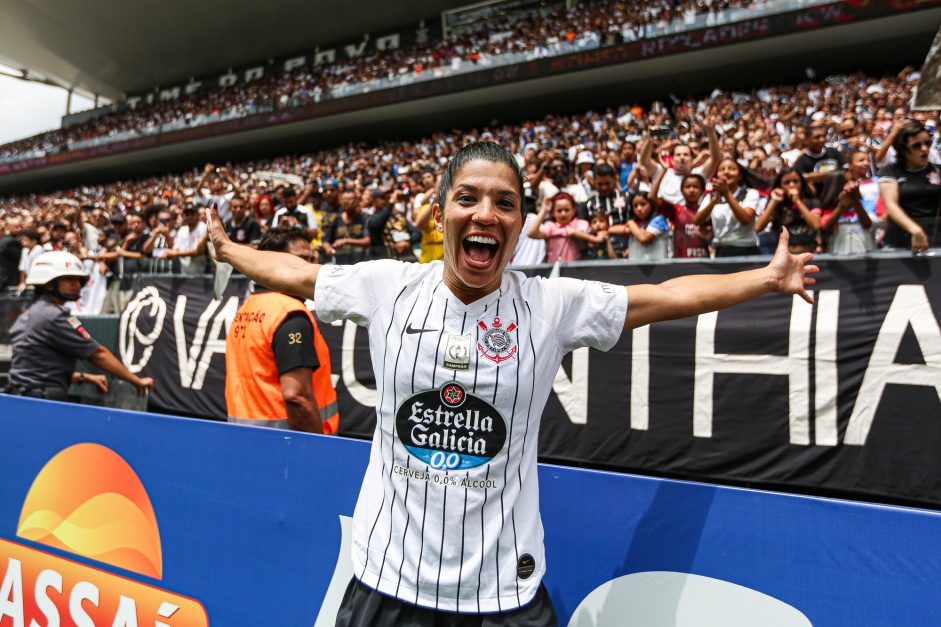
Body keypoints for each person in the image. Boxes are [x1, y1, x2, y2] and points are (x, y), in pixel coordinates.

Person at [205, 141, 816, 625]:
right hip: (386, 580)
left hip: (501, 592)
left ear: (522, 222)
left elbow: (664, 295)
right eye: (468, 197)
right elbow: (294, 270)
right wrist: (231, 251)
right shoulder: (388, 285)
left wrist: (764, 280)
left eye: (504, 203)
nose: (485, 214)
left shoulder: (552, 304)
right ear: (441, 210)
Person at [224, 228, 337, 434]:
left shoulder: (248, 306)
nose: (311, 268)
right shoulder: (290, 313)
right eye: (302, 259)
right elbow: (297, 397)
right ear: (273, 261)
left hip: (244, 440)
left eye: (312, 259)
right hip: (289, 447)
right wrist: (318, 450)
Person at [5, 251, 154, 401]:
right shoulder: (54, 317)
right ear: (49, 284)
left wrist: (85, 377)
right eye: (69, 279)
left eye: (79, 280)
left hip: (20, 399)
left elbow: (38, 370)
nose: (77, 284)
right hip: (43, 404)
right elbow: (98, 354)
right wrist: (136, 381)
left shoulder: (29, 315)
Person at [878, 121, 941, 252]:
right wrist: (916, 230)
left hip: (936, 239)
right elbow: (891, 206)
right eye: (917, 145)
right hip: (901, 240)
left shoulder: (937, 170)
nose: (924, 148)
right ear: (903, 149)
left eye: (927, 143)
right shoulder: (891, 172)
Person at [694, 158, 763, 257]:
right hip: (721, 251)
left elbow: (746, 219)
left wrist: (727, 194)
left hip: (746, 250)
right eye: (722, 169)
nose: (726, 172)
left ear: (739, 176)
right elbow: (697, 221)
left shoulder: (750, 193)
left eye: (732, 169)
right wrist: (715, 199)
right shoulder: (711, 197)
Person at [754, 168, 821, 255]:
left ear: (801, 183)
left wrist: (798, 201)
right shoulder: (776, 204)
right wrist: (774, 202)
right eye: (786, 182)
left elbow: (816, 225)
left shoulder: (812, 202)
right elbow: (758, 228)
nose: (792, 185)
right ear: (780, 186)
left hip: (808, 253)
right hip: (784, 255)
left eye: (795, 181)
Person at [525, 192, 590, 263]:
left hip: (576, 270)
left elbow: (585, 237)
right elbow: (531, 233)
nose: (563, 214)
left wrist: (573, 233)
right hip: (554, 270)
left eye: (567, 210)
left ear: (573, 211)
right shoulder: (550, 226)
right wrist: (544, 210)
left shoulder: (581, 223)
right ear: (553, 212)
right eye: (559, 211)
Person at [161, 204, 208, 274]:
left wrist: (175, 254)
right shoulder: (183, 229)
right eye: (187, 214)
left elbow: (198, 251)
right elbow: (176, 248)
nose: (189, 217)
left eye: (192, 214)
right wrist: (167, 253)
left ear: (198, 215)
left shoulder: (203, 227)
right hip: (185, 272)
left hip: (201, 273)